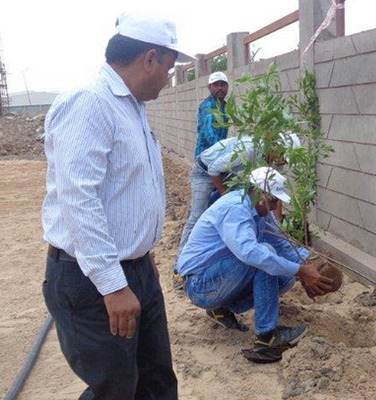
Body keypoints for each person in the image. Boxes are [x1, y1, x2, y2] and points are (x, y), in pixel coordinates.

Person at [41, 12, 193, 399]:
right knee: (115, 389)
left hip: (135, 270)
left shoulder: (132, 108)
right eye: (170, 69)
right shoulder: (91, 102)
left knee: (157, 380)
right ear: (150, 58)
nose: (168, 79)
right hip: (93, 279)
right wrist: (113, 285)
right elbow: (79, 199)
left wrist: (142, 252)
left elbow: (127, 190)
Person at [176, 167, 333, 363]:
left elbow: (281, 243)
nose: (275, 206)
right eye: (273, 200)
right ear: (259, 193)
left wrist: (306, 263)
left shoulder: (259, 210)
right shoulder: (235, 208)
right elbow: (251, 253)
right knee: (263, 256)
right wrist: (301, 270)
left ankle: (222, 308)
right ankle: (267, 339)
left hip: (218, 280)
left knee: (284, 279)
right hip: (200, 285)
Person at [173, 71, 230, 289]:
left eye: (223, 84)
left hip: (218, 166)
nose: (220, 88)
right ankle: (179, 268)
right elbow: (211, 137)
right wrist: (227, 154)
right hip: (205, 169)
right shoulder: (209, 108)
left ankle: (202, 258)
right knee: (196, 217)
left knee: (209, 213)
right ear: (209, 87)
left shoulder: (223, 107)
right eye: (216, 85)